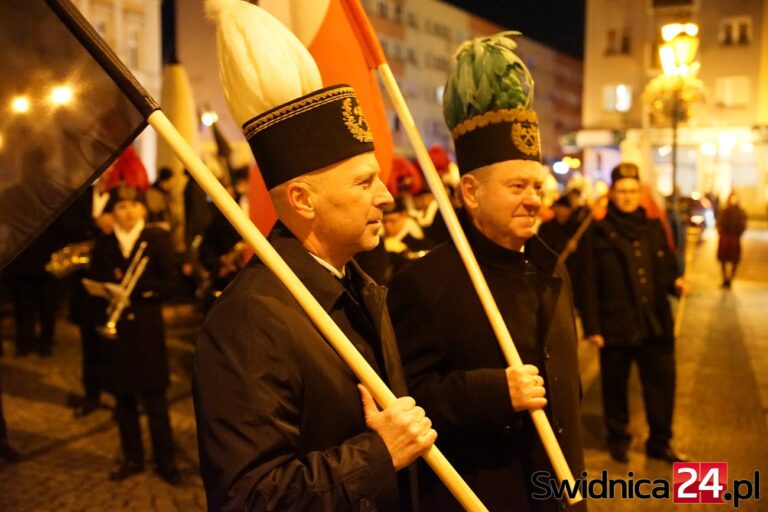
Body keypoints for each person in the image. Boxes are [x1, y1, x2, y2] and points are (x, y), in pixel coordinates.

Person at [194, 2, 434, 510]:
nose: (386, 198)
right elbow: (246, 495)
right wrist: (378, 455)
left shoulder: (357, 282)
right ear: (303, 199)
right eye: (364, 182)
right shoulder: (249, 320)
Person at [387, 32, 585, 511]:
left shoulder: (551, 268)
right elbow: (407, 398)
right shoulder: (425, 283)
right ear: (471, 192)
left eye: (536, 185)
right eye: (517, 185)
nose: (534, 198)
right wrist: (495, 392)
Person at [580, 162, 689, 464]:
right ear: (612, 194)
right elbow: (587, 282)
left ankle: (660, 441)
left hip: (655, 323)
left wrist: (676, 283)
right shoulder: (598, 232)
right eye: (621, 191)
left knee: (661, 386)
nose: (627, 197)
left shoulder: (653, 228)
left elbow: (666, 271)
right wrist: (592, 327)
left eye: (632, 191)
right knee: (614, 387)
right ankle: (618, 438)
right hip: (615, 324)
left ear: (639, 193)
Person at [86, 183, 180, 484]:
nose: (128, 212)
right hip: (118, 333)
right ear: (112, 213)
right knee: (123, 399)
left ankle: (166, 461)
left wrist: (140, 291)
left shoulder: (156, 240)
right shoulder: (103, 244)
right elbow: (94, 281)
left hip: (147, 330)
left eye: (133, 206)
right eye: (121, 207)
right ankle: (132, 457)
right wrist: (106, 291)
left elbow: (172, 283)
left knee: (156, 401)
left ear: (143, 208)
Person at [716, 192, 747, 288]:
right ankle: (725, 278)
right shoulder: (725, 211)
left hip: (734, 238)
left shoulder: (740, 212)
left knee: (734, 259)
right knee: (723, 259)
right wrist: (721, 232)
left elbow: (743, 224)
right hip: (725, 238)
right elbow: (719, 222)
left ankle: (730, 279)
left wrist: (738, 234)